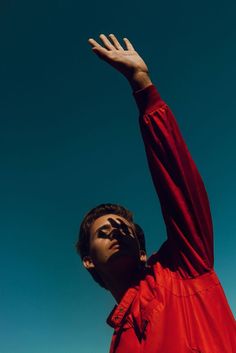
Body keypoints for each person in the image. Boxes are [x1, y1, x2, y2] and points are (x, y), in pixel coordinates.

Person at [76, 34, 236, 353]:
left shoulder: (183, 267)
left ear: (143, 252)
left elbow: (179, 186)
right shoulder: (120, 343)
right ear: (88, 260)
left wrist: (142, 85)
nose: (116, 232)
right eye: (103, 232)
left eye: (124, 229)